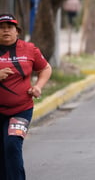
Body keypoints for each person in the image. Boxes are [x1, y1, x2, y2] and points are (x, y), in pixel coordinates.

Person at [0, 13, 52, 179]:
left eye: (10, 27)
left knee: (12, 145)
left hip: (21, 109)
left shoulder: (29, 49)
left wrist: (38, 86)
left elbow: (45, 68)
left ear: (17, 31)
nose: (5, 31)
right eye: (1, 28)